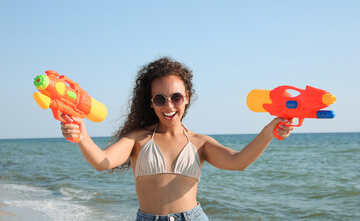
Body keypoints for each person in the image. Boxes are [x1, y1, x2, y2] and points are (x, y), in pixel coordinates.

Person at [61, 57, 294, 221]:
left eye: (176, 97)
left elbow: (239, 162)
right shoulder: (138, 139)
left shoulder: (200, 142)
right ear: (151, 102)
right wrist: (82, 134)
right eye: (160, 99)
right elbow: (102, 161)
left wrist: (268, 132)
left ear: (187, 97)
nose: (169, 105)